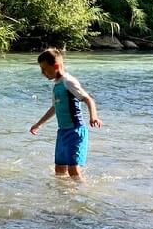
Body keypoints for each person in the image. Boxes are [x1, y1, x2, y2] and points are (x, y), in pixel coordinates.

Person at [29, 47, 101, 179]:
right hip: (62, 132)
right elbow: (54, 107)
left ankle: (82, 192)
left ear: (56, 66)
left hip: (75, 131)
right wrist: (39, 124)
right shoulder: (57, 84)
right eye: (41, 69)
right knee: (59, 169)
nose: (42, 73)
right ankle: (63, 196)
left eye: (44, 69)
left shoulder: (68, 82)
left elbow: (88, 99)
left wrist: (93, 116)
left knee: (73, 170)